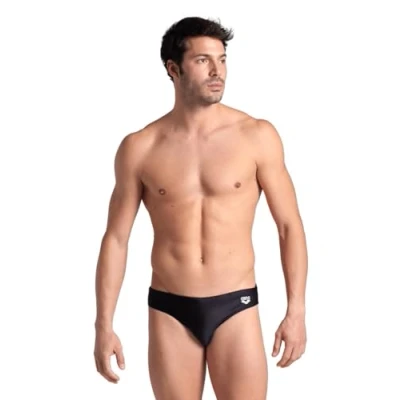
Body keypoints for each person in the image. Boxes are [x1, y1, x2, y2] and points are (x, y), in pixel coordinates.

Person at [93, 16, 308, 399]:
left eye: (222, 60)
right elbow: (116, 239)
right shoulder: (140, 147)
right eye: (202, 60)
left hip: (237, 304)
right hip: (170, 309)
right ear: (173, 69)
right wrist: (103, 325)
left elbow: (289, 226)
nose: (217, 71)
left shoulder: (256, 136)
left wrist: (297, 311)